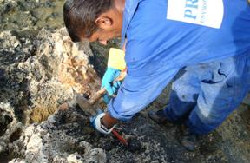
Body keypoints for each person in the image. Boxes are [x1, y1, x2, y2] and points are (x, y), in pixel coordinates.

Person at [63, 0, 250, 150]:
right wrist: (121, 62)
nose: (104, 43)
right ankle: (173, 115)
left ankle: (194, 129)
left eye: (98, 38)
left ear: (103, 21)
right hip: (215, 21)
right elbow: (142, 24)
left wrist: (107, 120)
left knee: (213, 105)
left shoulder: (145, 42)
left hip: (235, 47)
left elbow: (136, 95)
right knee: (185, 83)